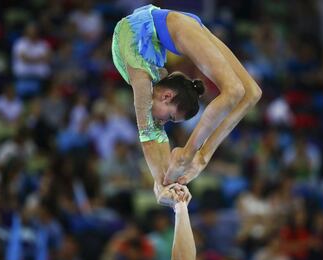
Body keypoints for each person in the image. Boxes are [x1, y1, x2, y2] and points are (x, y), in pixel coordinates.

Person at [111, 5, 262, 205]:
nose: (165, 122)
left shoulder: (142, 82)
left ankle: (194, 153)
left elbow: (148, 139)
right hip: (172, 25)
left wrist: (161, 183)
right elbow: (156, 137)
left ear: (167, 96)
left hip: (172, 26)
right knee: (250, 93)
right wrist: (167, 184)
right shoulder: (155, 87)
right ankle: (201, 157)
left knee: (238, 92)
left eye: (170, 118)